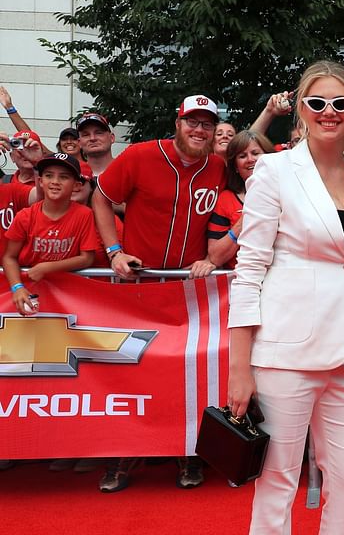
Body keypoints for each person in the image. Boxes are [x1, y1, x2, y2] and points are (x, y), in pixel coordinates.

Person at [227, 60, 344, 535]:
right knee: (277, 481)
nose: (329, 112)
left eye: (340, 102)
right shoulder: (274, 170)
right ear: (300, 109)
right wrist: (240, 367)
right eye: (317, 103)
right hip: (284, 354)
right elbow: (248, 268)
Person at [91, 94, 226, 492]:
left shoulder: (217, 165)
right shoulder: (140, 155)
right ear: (177, 122)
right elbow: (101, 198)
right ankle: (120, 454)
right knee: (130, 372)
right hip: (140, 284)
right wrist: (114, 250)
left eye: (207, 124)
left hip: (187, 287)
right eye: (192, 122)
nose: (199, 130)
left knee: (185, 373)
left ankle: (188, 453)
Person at [3, 152, 98, 315]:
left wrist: (48, 268)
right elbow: (9, 257)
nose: (55, 182)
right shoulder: (25, 216)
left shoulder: (84, 214)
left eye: (63, 177)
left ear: (76, 185)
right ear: (40, 182)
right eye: (48, 176)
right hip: (28, 287)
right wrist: (17, 287)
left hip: (66, 294)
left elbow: (87, 257)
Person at [206, 130, 274, 269]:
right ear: (236, 167)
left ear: (270, 157)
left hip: (280, 280)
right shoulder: (226, 200)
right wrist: (245, 220)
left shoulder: (289, 191)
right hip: (241, 281)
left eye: (255, 153)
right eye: (242, 156)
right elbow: (215, 257)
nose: (250, 159)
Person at [76, 112, 116, 177]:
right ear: (79, 143)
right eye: (86, 135)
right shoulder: (74, 175)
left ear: (112, 138)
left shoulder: (128, 170)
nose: (92, 138)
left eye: (99, 133)